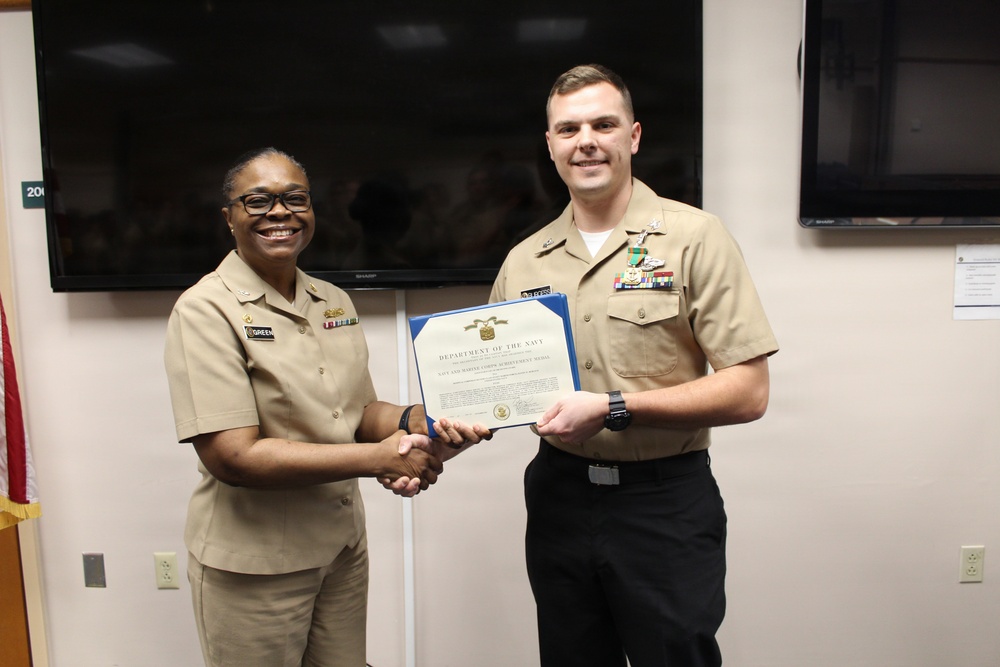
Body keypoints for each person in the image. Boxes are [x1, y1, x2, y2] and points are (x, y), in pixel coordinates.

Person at [489, 65, 780, 666]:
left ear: (634, 136)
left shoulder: (695, 238)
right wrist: (432, 441)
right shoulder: (524, 260)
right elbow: (491, 386)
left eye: (603, 124)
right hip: (559, 497)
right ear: (550, 146)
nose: (586, 140)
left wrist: (616, 408)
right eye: (568, 129)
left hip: (663, 503)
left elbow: (749, 392)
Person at [163, 147, 488, 667]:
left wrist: (416, 420)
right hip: (257, 566)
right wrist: (383, 459)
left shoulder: (333, 300)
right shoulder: (205, 310)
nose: (280, 213)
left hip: (340, 551)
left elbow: (357, 414)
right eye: (258, 201)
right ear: (229, 217)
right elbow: (233, 457)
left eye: (295, 199)